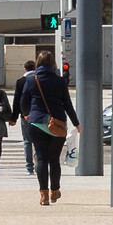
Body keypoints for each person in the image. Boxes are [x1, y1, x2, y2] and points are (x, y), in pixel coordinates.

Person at [23, 47, 80, 204]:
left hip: (36, 123)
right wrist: (77, 123)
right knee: (54, 160)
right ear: (52, 63)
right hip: (57, 125)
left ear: (38, 63)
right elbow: (67, 105)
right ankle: (55, 191)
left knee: (41, 158)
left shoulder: (30, 80)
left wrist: (27, 114)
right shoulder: (60, 81)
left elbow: (24, 102)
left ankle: (43, 195)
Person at [9, 59, 40, 178]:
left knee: (27, 141)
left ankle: (29, 167)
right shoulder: (38, 79)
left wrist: (13, 118)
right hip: (38, 115)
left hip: (25, 115)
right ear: (35, 68)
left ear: (25, 69)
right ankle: (38, 159)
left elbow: (17, 100)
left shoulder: (20, 82)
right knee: (38, 140)